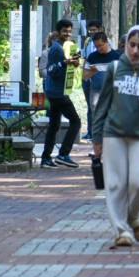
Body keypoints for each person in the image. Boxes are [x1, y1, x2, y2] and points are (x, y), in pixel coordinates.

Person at [88, 27, 139, 247]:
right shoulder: (115, 68)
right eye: (131, 45)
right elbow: (102, 105)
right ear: (125, 45)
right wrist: (97, 138)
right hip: (114, 133)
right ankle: (122, 231)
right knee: (115, 184)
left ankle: (134, 215)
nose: (135, 50)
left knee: (138, 183)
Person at [38, 21, 80, 168]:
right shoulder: (56, 49)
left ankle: (46, 158)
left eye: (69, 31)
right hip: (57, 93)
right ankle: (63, 154)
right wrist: (64, 63)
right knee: (76, 121)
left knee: (54, 125)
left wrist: (74, 63)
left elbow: (67, 68)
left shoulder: (68, 47)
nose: (68, 34)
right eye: (65, 31)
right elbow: (51, 70)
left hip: (56, 91)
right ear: (58, 32)